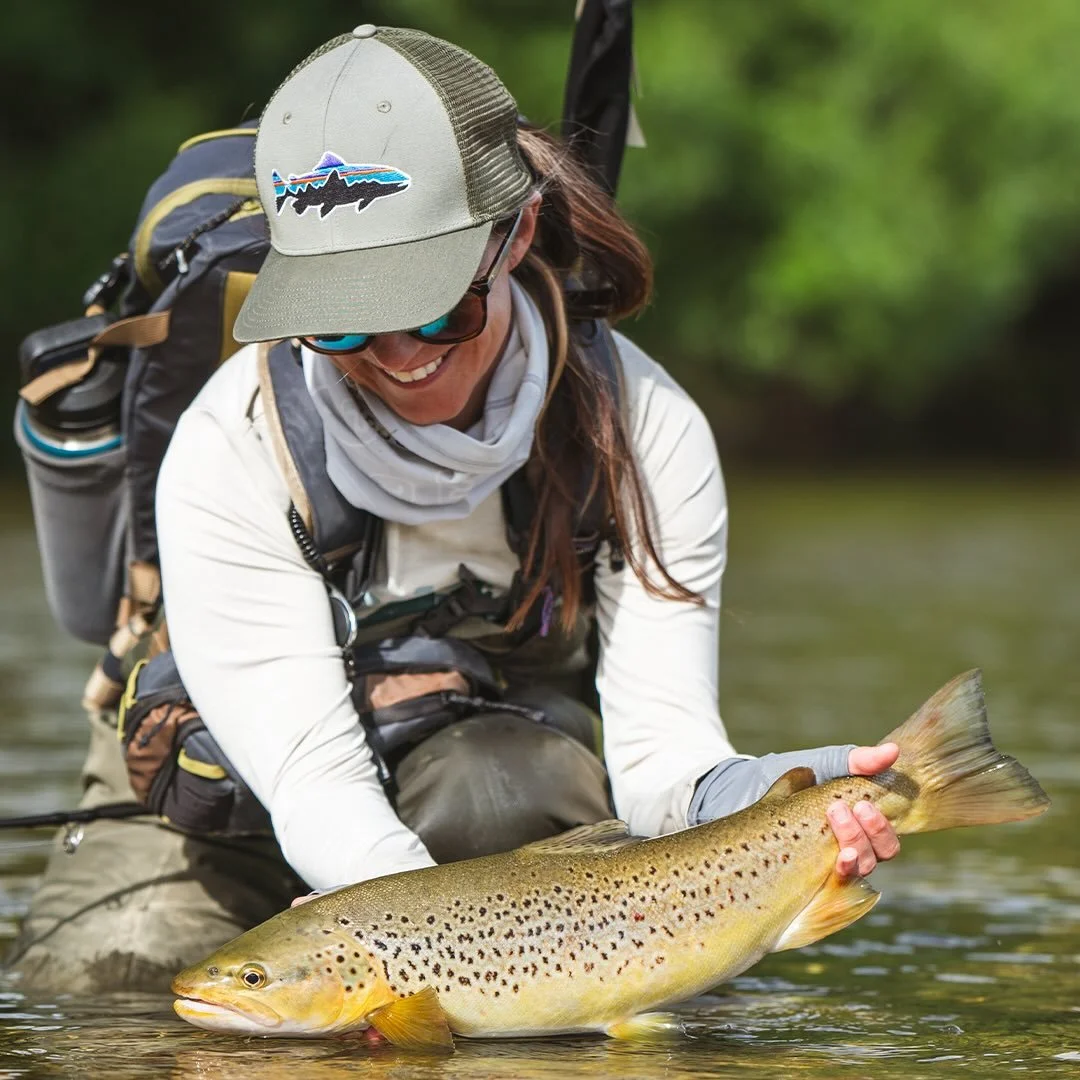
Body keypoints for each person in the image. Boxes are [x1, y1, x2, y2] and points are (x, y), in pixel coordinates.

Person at [9, 24, 899, 994]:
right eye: (344, 314)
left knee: (502, 791)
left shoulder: (647, 428)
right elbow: (316, 785)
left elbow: (662, 760)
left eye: (436, 306)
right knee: (101, 1000)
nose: (397, 353)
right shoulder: (230, 443)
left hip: (481, 791)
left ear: (511, 237)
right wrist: (368, 948)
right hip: (224, 796)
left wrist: (770, 799)